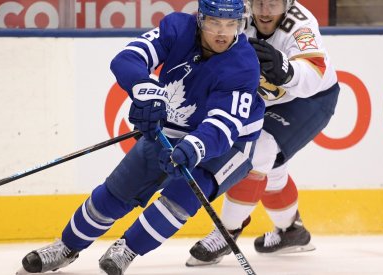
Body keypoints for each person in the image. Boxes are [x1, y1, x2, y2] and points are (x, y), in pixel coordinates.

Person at [17, 0, 265, 274]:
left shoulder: (244, 64)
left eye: (231, 24)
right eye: (214, 22)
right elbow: (128, 58)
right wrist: (146, 90)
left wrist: (194, 146)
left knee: (181, 196)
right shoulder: (177, 28)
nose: (222, 32)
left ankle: (128, 248)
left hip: (226, 146)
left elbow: (223, 125)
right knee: (118, 190)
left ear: (241, 24)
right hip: (173, 129)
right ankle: (66, 247)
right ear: (200, 19)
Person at [186, 0, 340, 266]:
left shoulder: (300, 24)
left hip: (309, 99)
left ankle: (228, 232)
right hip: (264, 100)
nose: (266, 11)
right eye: (260, 3)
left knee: (260, 152)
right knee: (272, 165)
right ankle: (292, 230)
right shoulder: (232, 16)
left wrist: (288, 71)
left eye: (273, 4)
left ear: (288, 4)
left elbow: (315, 70)